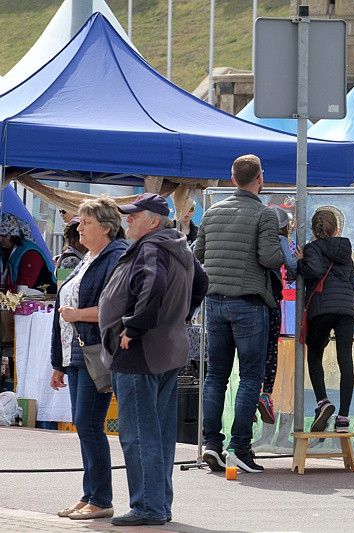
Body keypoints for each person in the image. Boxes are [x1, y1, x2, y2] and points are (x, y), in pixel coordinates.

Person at [98, 193, 207, 527]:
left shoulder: (151, 247)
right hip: (166, 350)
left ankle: (148, 506)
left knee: (139, 433)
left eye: (134, 216)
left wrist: (134, 327)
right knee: (157, 432)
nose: (128, 220)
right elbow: (201, 283)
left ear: (154, 221)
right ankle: (159, 503)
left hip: (139, 352)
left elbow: (154, 284)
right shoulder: (177, 245)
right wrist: (180, 317)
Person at [194, 154, 284, 473]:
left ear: (232, 179)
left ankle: (211, 444)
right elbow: (270, 259)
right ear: (260, 178)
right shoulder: (264, 215)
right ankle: (240, 448)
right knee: (250, 377)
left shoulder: (213, 212)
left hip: (215, 303)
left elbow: (197, 255)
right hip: (248, 303)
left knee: (216, 375)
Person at [49, 197, 127, 521]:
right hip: (76, 352)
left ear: (106, 228)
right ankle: (90, 495)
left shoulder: (115, 256)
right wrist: (59, 363)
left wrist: (78, 313)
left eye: (86, 223)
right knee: (85, 426)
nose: (79, 227)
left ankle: (101, 498)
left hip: (95, 350)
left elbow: (115, 307)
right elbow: (62, 307)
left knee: (88, 424)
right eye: (80, 222)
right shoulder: (89, 256)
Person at [296, 207, 354, 433]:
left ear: (314, 230)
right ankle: (343, 417)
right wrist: (351, 308)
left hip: (321, 309)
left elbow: (313, 270)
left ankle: (323, 401)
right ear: (336, 229)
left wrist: (301, 262)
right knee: (345, 361)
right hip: (345, 310)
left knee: (314, 354)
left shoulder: (312, 248)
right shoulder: (345, 250)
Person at [257, 206, 297, 425]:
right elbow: (291, 267)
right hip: (273, 299)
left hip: (252, 300)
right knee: (272, 350)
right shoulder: (280, 240)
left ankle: (250, 397)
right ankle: (266, 395)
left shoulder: (254, 237)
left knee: (253, 352)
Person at [0, 212, 56, 293]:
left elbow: (23, 286)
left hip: (38, 299)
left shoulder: (31, 254)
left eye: (4, 236)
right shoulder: (6, 251)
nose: (0, 239)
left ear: (14, 235)